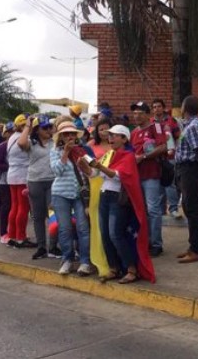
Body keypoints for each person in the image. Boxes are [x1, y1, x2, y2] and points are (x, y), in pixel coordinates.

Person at [90, 125, 156, 284]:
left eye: (115, 135)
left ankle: (132, 269)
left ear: (124, 139)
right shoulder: (109, 154)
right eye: (110, 135)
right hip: (104, 196)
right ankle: (114, 268)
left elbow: (118, 175)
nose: (110, 138)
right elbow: (93, 174)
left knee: (115, 234)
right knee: (105, 234)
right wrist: (83, 163)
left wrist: (99, 166)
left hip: (117, 199)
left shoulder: (128, 156)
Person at [50, 122, 93, 276]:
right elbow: (56, 171)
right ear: (61, 136)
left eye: (72, 134)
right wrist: (65, 154)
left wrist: (86, 166)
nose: (70, 136)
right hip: (60, 194)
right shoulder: (55, 151)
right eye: (66, 134)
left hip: (80, 194)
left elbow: (92, 172)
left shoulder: (83, 151)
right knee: (65, 228)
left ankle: (85, 261)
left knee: (83, 228)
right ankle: (67, 259)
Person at [130, 101, 170, 257]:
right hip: (136, 176)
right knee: (142, 210)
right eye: (135, 113)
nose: (137, 116)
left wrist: (144, 156)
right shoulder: (133, 133)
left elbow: (163, 147)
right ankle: (144, 241)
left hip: (151, 174)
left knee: (153, 209)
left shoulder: (156, 127)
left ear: (148, 114)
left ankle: (156, 244)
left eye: (140, 112)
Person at [175, 95, 198, 263]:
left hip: (190, 169)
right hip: (183, 168)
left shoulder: (194, 126)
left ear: (185, 107)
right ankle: (192, 245)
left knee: (192, 208)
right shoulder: (188, 125)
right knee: (187, 207)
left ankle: (196, 249)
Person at [19, 115, 55, 256]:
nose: (48, 130)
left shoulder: (55, 142)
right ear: (37, 130)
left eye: (49, 127)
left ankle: (53, 246)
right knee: (38, 216)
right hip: (35, 181)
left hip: (53, 181)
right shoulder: (31, 143)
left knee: (53, 215)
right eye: (44, 127)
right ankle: (41, 247)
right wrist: (28, 125)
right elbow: (21, 143)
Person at [86, 117, 112, 278]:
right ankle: (96, 258)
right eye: (100, 129)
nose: (104, 132)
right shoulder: (90, 146)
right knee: (95, 223)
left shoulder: (116, 144)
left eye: (107, 128)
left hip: (112, 186)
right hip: (95, 187)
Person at [151, 98, 181, 219]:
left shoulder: (171, 120)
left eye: (159, 106)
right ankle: (161, 210)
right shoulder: (150, 122)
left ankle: (173, 208)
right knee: (158, 184)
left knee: (170, 183)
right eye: (154, 107)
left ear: (163, 108)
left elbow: (180, 137)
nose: (156, 109)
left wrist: (178, 149)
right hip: (156, 158)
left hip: (170, 156)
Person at [5, 115, 33, 248]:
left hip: (12, 175)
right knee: (23, 207)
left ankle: (12, 235)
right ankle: (21, 238)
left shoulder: (12, 137)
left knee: (15, 206)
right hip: (22, 176)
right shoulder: (23, 138)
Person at [0, 123, 13, 243]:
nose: (11, 134)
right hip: (4, 181)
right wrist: (10, 166)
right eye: (9, 132)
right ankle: (3, 232)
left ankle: (14, 230)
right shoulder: (2, 146)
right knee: (6, 206)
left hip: (17, 180)